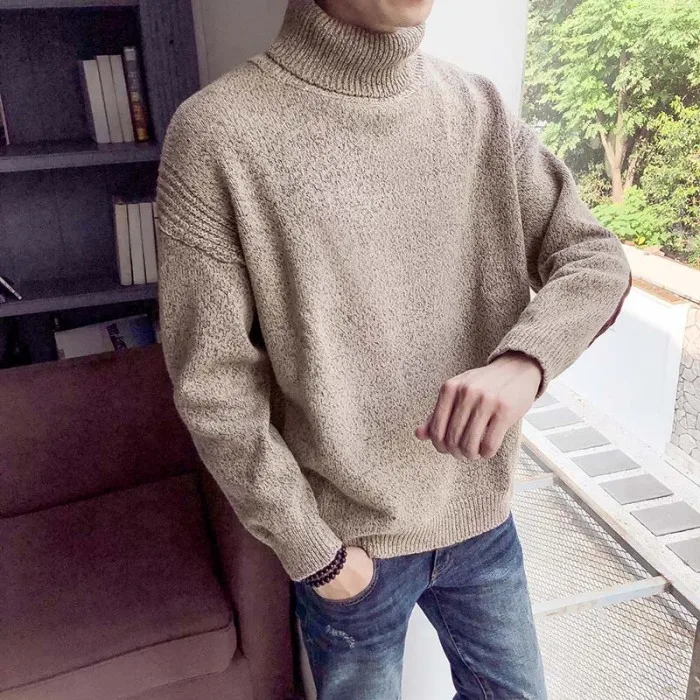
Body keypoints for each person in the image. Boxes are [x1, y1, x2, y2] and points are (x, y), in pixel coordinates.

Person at [155, 0, 631, 697]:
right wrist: (315, 554)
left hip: (483, 522)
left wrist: (525, 362)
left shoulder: (477, 109)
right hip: (347, 549)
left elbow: (595, 259)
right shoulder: (216, 133)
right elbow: (213, 386)